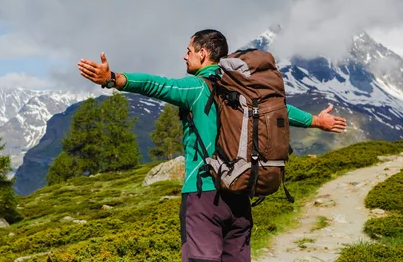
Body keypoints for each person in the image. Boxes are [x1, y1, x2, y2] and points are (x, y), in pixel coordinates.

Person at [77, 29, 346, 262]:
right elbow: (281, 110)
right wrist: (317, 121)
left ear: (203, 53)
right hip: (241, 192)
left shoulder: (198, 87)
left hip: (203, 194)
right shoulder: (246, 90)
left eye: (188, 51)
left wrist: (114, 78)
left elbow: (157, 85)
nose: (185, 56)